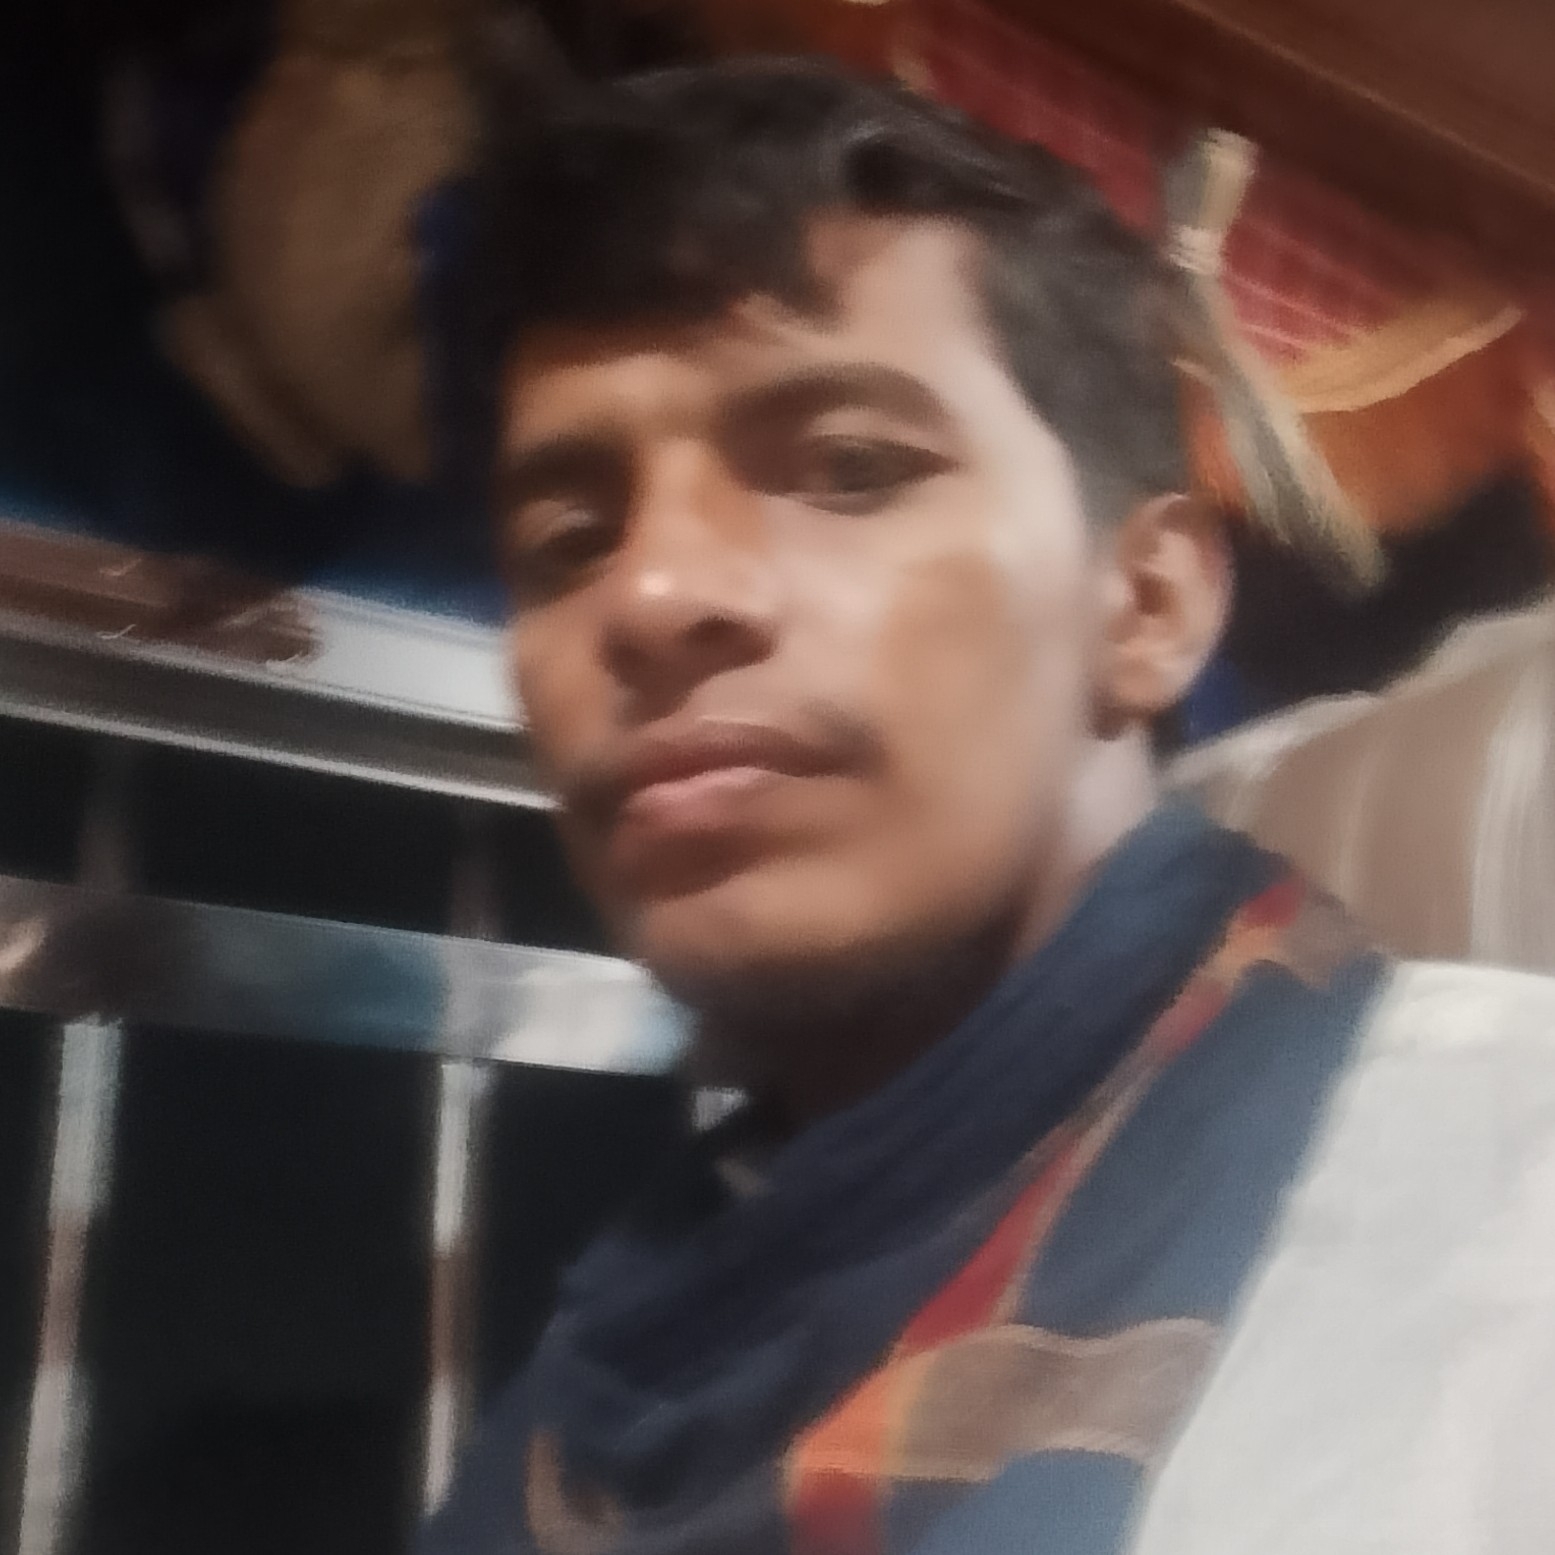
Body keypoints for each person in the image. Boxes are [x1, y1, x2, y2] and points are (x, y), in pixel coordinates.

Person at [424, 58, 1555, 1555]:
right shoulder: (608, 1370)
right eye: (571, 540)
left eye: (849, 468)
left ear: (1146, 605)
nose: (650, 594)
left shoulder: (1509, 1208)